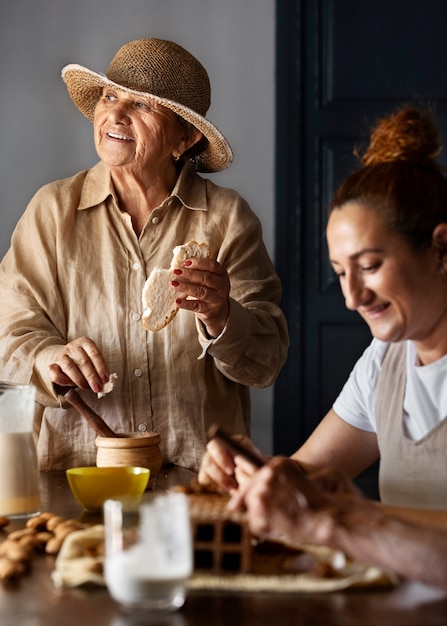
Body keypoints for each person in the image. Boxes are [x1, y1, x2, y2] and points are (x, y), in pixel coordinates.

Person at [0, 38, 289, 471]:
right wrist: (49, 359)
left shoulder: (228, 218)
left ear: (184, 137)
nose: (114, 114)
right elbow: (9, 332)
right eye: (110, 96)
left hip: (197, 482)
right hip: (78, 479)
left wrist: (221, 315)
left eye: (142, 106)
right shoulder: (51, 211)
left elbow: (265, 361)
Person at [199, 104, 447, 519]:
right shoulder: (384, 361)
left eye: (369, 267)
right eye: (340, 273)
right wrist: (253, 475)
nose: (353, 298)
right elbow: (307, 471)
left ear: (441, 249)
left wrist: (355, 520)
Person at [227, 456, 447, 590]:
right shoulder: (377, 378)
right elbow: (296, 476)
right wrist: (240, 469)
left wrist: (353, 520)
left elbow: (310, 500)